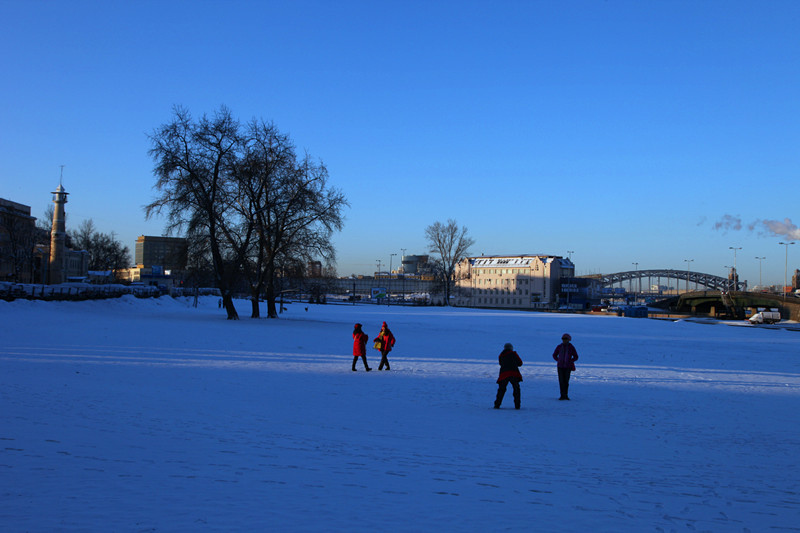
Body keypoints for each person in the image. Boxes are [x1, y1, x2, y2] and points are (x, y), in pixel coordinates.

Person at [494, 343, 523, 409]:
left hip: (504, 374)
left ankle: (497, 405)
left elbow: (500, 363)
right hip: (514, 373)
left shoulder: (501, 355)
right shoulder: (513, 354)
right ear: (511, 348)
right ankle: (517, 405)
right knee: (516, 389)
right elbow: (520, 363)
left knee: (501, 390)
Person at [552, 333, 579, 400]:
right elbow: (554, 355)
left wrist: (570, 361)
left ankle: (565, 395)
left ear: (569, 340)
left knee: (566, 381)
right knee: (561, 381)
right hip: (560, 366)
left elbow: (576, 356)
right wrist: (558, 360)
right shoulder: (559, 346)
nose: (564, 340)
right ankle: (562, 395)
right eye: (563, 339)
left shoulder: (571, 347)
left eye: (565, 339)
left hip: (568, 367)